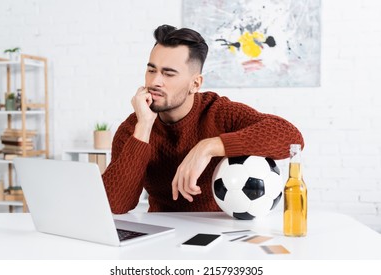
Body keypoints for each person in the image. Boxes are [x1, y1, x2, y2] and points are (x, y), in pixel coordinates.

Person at [102, 24, 304, 214]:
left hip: (219, 231)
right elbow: (114, 205)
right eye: (151, 70)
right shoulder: (133, 127)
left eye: (169, 74)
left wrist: (208, 147)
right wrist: (144, 126)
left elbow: (291, 137)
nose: (155, 82)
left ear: (195, 84)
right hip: (161, 233)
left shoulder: (219, 112)